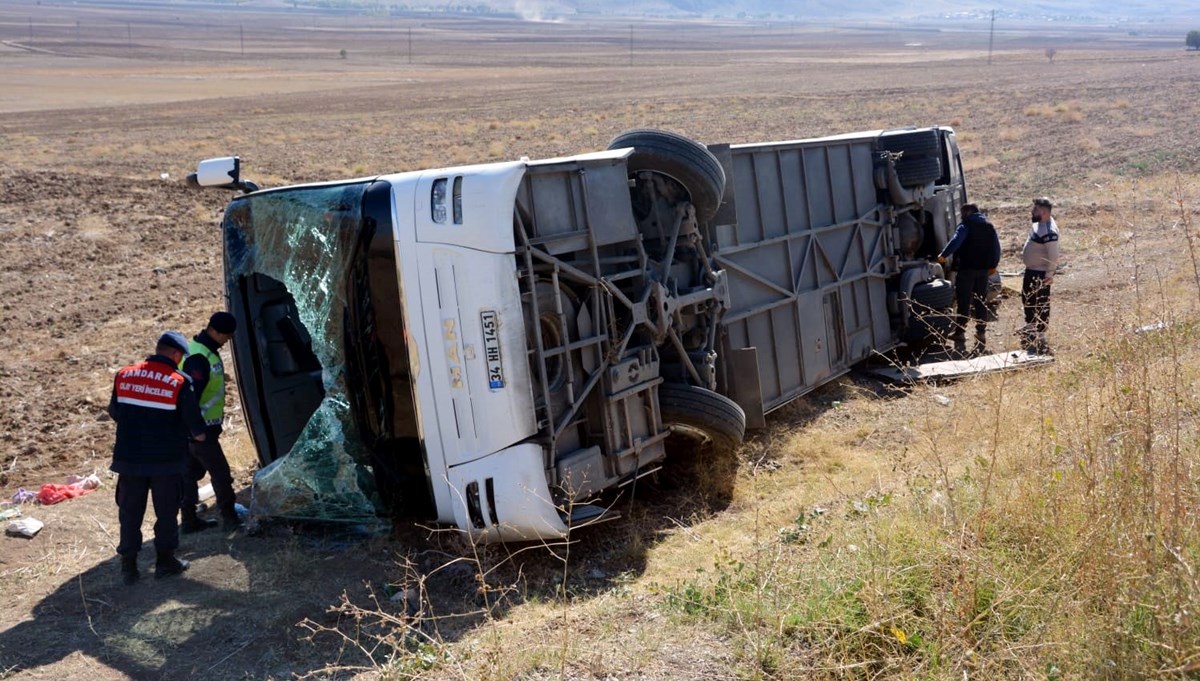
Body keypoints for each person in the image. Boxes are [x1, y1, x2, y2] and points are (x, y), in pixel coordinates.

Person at [109, 331, 206, 585]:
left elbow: (115, 411)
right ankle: (165, 562)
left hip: (129, 459)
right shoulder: (179, 381)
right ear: (175, 354)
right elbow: (196, 430)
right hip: (166, 461)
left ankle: (128, 567)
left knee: (129, 512)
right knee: (166, 511)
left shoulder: (124, 374)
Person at [179, 311, 242, 533]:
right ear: (213, 331)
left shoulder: (197, 350)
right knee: (221, 474)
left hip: (190, 431)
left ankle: (188, 521)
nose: (227, 340)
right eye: (226, 335)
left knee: (188, 476)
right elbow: (189, 398)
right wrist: (197, 430)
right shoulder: (199, 357)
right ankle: (231, 519)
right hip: (199, 431)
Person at [938, 203, 1002, 356]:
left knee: (964, 301)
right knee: (981, 301)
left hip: (967, 270)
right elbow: (996, 248)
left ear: (967, 212)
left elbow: (956, 241)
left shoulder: (966, 225)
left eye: (962, 212)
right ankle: (981, 333)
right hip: (983, 271)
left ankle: (960, 332)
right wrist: (993, 265)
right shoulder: (989, 226)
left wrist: (943, 255)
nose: (961, 215)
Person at [1020, 197, 1060, 354]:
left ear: (1043, 212)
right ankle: (1030, 326)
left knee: (1041, 303)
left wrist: (1049, 274)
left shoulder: (1050, 232)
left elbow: (1053, 255)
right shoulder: (1039, 224)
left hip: (1040, 273)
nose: (1032, 211)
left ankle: (1041, 335)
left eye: (1035, 209)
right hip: (1031, 271)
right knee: (1027, 299)